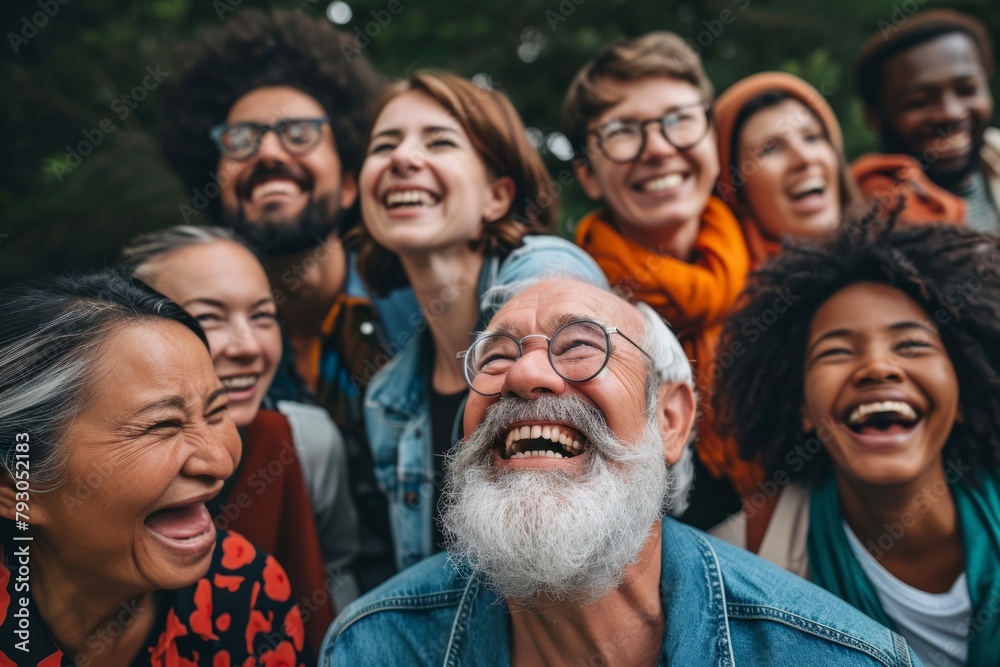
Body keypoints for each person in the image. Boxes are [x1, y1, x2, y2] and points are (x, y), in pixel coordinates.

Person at [321, 278, 919, 666]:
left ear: (671, 419)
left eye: (580, 345)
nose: (525, 375)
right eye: (497, 355)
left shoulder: (835, 657)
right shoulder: (373, 648)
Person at [161, 8, 404, 591]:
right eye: (242, 139)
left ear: (349, 181)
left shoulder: (430, 310)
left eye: (299, 133)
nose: (269, 152)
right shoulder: (177, 350)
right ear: (216, 186)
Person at [711, 221, 1000, 666]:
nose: (878, 367)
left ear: (962, 391)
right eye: (837, 351)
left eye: (911, 344)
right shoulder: (737, 563)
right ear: (804, 409)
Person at [354, 70, 607, 571]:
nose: (403, 158)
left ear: (497, 196)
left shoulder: (546, 271)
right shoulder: (385, 400)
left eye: (439, 141)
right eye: (384, 144)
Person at [0, 271, 306, 666]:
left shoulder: (245, 589)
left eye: (216, 412)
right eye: (162, 426)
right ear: (15, 486)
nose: (221, 461)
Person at [122, 225, 355, 649]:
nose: (248, 346)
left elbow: (337, 567)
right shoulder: (110, 456)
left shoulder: (306, 439)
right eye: (207, 317)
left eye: (263, 315)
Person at [561, 32, 752, 525]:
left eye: (679, 120)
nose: (659, 148)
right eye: (623, 130)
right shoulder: (570, 309)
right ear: (586, 172)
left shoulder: (781, 267)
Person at [853, 9, 997, 232]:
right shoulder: (867, 220)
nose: (951, 113)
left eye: (967, 90)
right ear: (874, 116)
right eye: (918, 101)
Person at [713, 72, 862, 266]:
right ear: (735, 190)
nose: (805, 158)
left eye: (811, 137)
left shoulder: (901, 255)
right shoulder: (723, 294)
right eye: (770, 148)